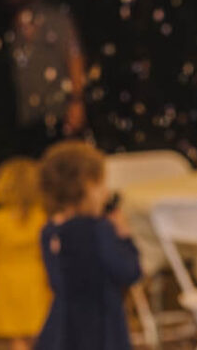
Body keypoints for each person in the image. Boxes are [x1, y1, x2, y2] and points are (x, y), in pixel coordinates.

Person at [35, 141, 141, 350]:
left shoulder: (50, 232)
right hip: (101, 328)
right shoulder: (98, 229)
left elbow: (56, 281)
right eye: (101, 185)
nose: (106, 193)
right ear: (85, 186)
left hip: (63, 327)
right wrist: (124, 237)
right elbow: (129, 271)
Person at [2, 0, 88, 157]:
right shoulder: (12, 28)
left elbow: (74, 56)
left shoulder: (54, 18)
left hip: (60, 113)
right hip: (29, 118)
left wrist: (77, 100)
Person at [0, 158, 52, 350]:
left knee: (17, 337)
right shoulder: (43, 217)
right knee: (37, 331)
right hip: (37, 279)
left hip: (6, 281)